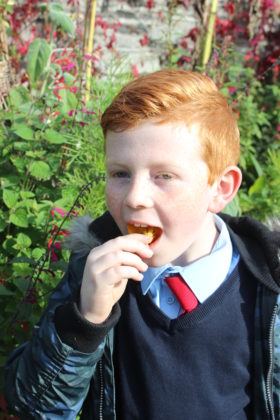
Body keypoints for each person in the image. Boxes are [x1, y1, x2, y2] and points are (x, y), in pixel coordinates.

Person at [5, 69, 280, 420]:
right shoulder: (92, 272)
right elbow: (35, 407)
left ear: (220, 188)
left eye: (163, 176)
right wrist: (86, 321)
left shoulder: (267, 286)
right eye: (120, 173)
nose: (135, 198)